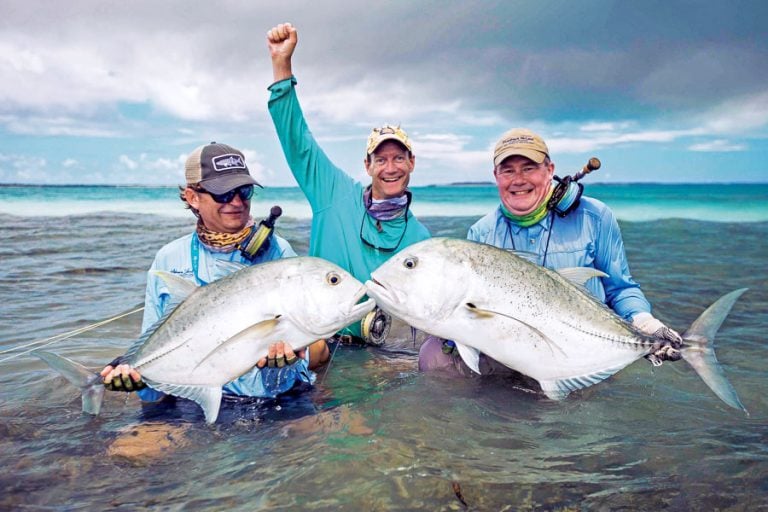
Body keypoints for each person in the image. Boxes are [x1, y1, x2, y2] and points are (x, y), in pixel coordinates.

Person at [419, 128, 682, 374]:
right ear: (496, 177)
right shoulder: (481, 233)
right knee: (435, 355)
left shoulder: (595, 217)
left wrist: (643, 322)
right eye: (508, 171)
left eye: (529, 168)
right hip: (512, 347)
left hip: (581, 345)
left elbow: (620, 288)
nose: (518, 180)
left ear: (549, 170)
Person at [100, 141, 329, 403]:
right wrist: (137, 378)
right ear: (193, 197)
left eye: (244, 191)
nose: (236, 202)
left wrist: (295, 355)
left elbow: (309, 347)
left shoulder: (278, 253)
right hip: (197, 403)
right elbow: (153, 393)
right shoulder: (168, 259)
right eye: (223, 193)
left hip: (270, 401)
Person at [266, 22, 431, 345]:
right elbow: (299, 143)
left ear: (412, 163)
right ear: (367, 165)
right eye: (381, 159)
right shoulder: (335, 194)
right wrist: (281, 65)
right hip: (320, 346)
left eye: (399, 158)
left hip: (383, 356)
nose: (391, 168)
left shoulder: (420, 238)